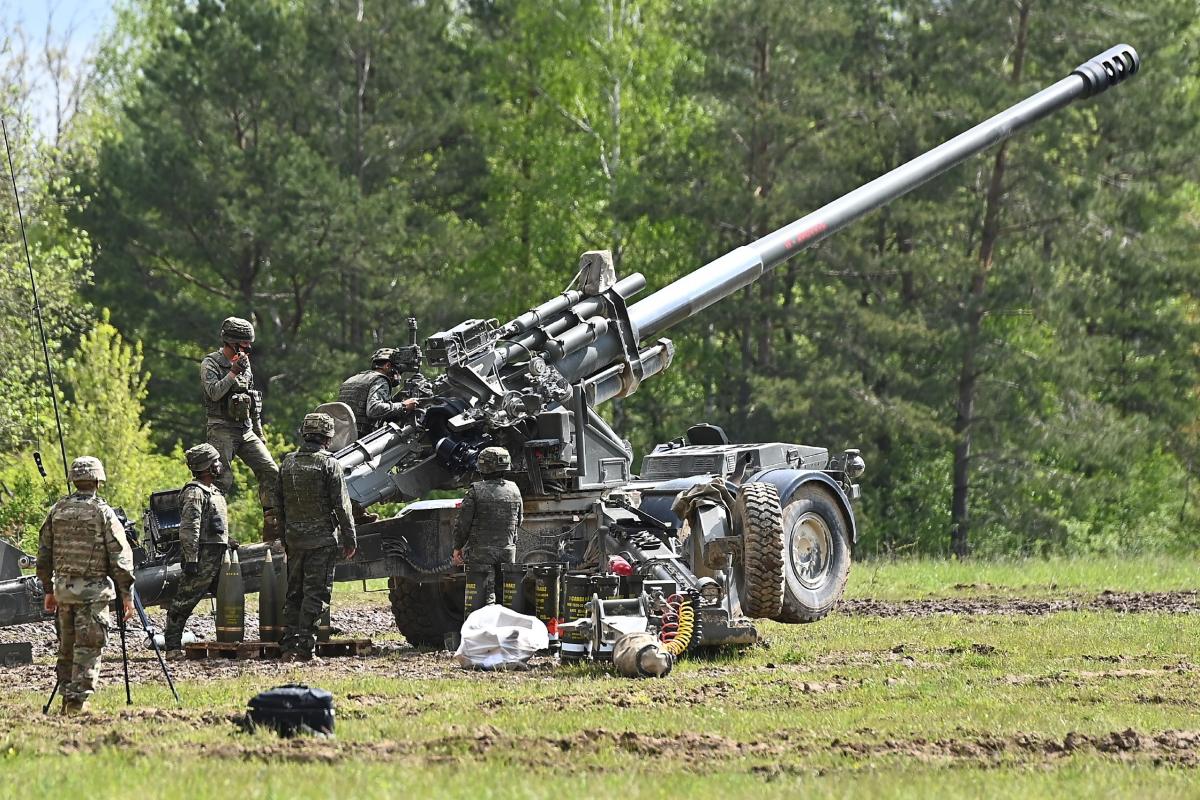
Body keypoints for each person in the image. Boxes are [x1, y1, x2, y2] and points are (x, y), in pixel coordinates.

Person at [36, 456, 135, 715]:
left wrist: (48, 589)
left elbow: (43, 554)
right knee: (88, 646)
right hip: (92, 592)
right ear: (97, 481)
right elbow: (119, 556)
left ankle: (66, 697)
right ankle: (76, 704)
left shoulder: (57, 510)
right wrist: (127, 593)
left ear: (74, 480)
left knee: (67, 646)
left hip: (65, 591)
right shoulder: (102, 512)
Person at [277, 412, 356, 662]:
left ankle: (289, 645)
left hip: (294, 540)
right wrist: (350, 538)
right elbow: (342, 506)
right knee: (316, 594)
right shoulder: (329, 464)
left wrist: (284, 537)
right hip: (321, 541)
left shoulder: (287, 463)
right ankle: (305, 650)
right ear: (327, 437)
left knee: (294, 593)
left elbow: (277, 506)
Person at [200, 316, 280, 539]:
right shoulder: (211, 363)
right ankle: (216, 533)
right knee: (220, 479)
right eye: (245, 343)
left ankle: (272, 526)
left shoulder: (246, 364)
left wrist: (259, 432)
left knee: (270, 471)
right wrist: (233, 371)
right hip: (221, 429)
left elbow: (252, 401)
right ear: (232, 342)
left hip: (245, 429)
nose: (249, 347)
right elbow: (214, 392)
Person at [163, 444, 230, 659]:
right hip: (202, 556)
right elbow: (190, 528)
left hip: (218, 554)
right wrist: (191, 559)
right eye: (215, 462)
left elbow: (215, 526)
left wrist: (229, 542)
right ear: (206, 467)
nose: (219, 465)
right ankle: (172, 647)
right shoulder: (195, 493)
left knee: (228, 598)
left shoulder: (213, 491)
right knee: (184, 601)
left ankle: (227, 641)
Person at [451, 447, 523, 614]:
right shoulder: (515, 489)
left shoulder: (475, 490)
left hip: (480, 554)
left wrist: (457, 547)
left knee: (483, 597)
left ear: (482, 467)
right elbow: (519, 520)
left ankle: (483, 635)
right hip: (507, 552)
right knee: (507, 596)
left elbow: (463, 524)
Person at [336, 348, 419, 439]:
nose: (399, 376)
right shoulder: (380, 380)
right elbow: (373, 409)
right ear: (387, 366)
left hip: (341, 437)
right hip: (361, 439)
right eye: (398, 371)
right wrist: (403, 406)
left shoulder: (352, 379)